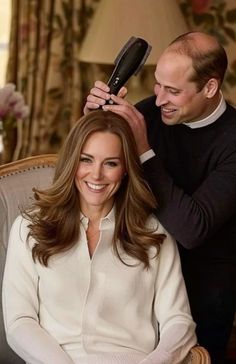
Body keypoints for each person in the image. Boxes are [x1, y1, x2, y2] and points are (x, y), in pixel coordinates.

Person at [83, 31, 236, 364]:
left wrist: (144, 151)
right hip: (137, 282)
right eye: (157, 85)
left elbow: (193, 229)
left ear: (210, 88)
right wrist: (93, 121)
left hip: (202, 295)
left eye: (173, 90)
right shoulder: (151, 112)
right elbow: (95, 171)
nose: (159, 98)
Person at [2, 110, 196, 364]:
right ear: (73, 162)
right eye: (86, 160)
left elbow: (179, 322)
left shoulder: (153, 234)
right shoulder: (29, 228)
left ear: (126, 169)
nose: (96, 175)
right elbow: (19, 321)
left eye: (111, 163)